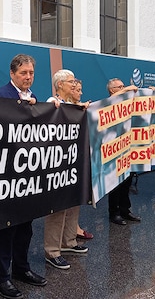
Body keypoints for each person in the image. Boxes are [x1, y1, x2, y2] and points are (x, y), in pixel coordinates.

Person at [0, 54, 47, 299]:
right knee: (6, 229)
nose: (28, 77)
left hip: (29, 176)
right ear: (12, 74)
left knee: (26, 228)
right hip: (7, 176)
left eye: (31, 73)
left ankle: (21, 269)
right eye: (24, 73)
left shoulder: (34, 97)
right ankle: (0, 278)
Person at [44, 69, 89, 270]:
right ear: (60, 84)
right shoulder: (50, 103)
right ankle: (52, 251)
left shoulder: (74, 106)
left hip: (74, 161)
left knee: (73, 204)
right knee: (58, 208)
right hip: (58, 165)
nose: (75, 85)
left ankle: (69, 242)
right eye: (71, 82)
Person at [106, 78, 142, 225]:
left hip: (127, 146)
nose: (123, 88)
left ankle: (125, 210)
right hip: (114, 148)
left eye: (123, 86)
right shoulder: (108, 102)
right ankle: (114, 213)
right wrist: (126, 90)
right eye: (119, 87)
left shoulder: (127, 102)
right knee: (115, 183)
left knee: (126, 181)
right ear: (111, 90)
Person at [69, 79, 94, 240]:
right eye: (76, 89)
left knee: (74, 204)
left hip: (77, 160)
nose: (80, 92)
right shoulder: (55, 104)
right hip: (63, 163)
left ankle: (70, 238)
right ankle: (56, 248)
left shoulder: (80, 108)